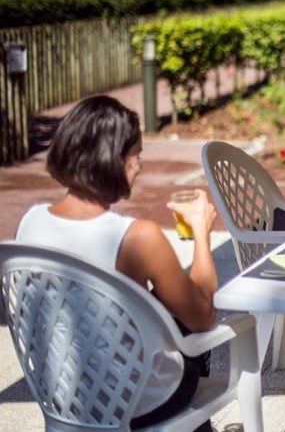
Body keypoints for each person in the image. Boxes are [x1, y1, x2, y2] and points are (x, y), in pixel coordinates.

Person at [14, 95, 219, 431]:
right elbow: (204, 318)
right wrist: (201, 232)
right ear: (114, 160)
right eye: (136, 155)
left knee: (159, 302)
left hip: (64, 398)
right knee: (189, 330)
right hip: (137, 403)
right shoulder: (137, 237)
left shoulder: (30, 222)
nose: (139, 167)